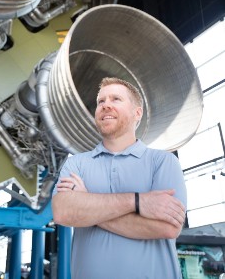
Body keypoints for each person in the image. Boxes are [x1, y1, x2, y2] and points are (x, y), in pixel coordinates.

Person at [52, 77, 187, 279]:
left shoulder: (163, 162)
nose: (106, 105)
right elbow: (62, 212)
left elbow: (168, 227)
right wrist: (137, 201)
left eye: (116, 99)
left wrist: (88, 206)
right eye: (101, 101)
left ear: (137, 113)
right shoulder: (76, 164)